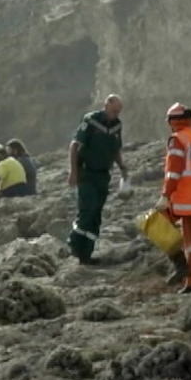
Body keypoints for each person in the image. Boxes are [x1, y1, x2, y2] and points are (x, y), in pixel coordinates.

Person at [155, 102, 191, 294]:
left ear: (173, 121)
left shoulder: (177, 140)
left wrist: (165, 196)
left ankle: (180, 264)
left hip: (181, 198)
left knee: (155, 225)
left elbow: (174, 172)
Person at [67, 94, 129, 265]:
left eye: (118, 112)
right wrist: (73, 172)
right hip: (86, 173)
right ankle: (74, 244)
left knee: (96, 214)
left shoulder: (117, 125)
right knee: (88, 208)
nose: (115, 114)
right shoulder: (91, 120)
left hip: (103, 175)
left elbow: (116, 149)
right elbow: (74, 146)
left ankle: (87, 253)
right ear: (106, 105)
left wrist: (122, 166)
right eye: (114, 110)